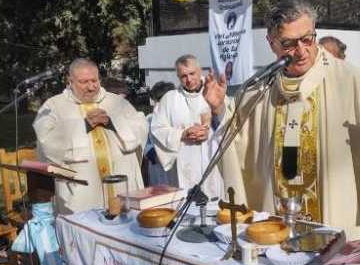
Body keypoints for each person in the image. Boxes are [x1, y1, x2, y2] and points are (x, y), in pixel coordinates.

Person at [203, 0, 360, 231]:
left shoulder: (350, 80)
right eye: (289, 44)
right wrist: (219, 109)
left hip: (333, 223)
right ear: (272, 44)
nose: (302, 51)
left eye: (307, 39)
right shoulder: (260, 89)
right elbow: (238, 147)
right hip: (276, 221)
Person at [33, 58, 147, 215]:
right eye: (84, 82)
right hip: (81, 192)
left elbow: (140, 126)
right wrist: (84, 125)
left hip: (121, 183)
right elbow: (46, 141)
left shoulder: (116, 102)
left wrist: (112, 123)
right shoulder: (54, 106)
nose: (91, 87)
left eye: (94, 80)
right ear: (70, 81)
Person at [149, 55, 223, 198]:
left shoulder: (213, 91)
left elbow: (228, 122)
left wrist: (209, 132)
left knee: (213, 201)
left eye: (192, 73)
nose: (189, 80)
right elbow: (157, 129)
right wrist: (182, 134)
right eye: (183, 76)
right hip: (183, 164)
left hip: (211, 158)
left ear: (200, 70)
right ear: (177, 76)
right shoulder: (169, 99)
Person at [143, 81, 175, 185]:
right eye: (155, 101)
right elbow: (144, 143)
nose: (156, 105)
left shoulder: (177, 119)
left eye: (159, 101)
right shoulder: (149, 119)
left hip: (174, 166)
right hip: (156, 166)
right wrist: (153, 155)